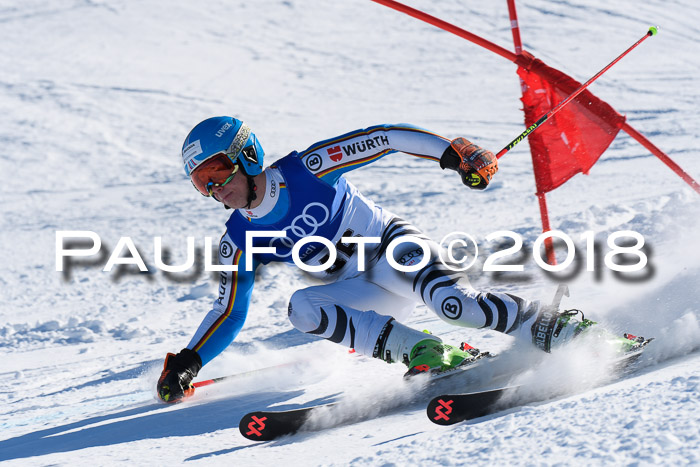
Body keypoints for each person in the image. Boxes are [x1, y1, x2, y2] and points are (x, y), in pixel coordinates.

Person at [156, 117, 614, 403]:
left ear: (247, 155)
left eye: (216, 172)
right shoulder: (238, 239)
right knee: (301, 308)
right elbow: (229, 309)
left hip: (394, 251)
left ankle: (554, 324)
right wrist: (190, 361)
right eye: (201, 183)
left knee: (460, 309)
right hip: (364, 289)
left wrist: (452, 154)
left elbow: (383, 138)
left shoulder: (307, 169)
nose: (215, 189)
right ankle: (427, 351)